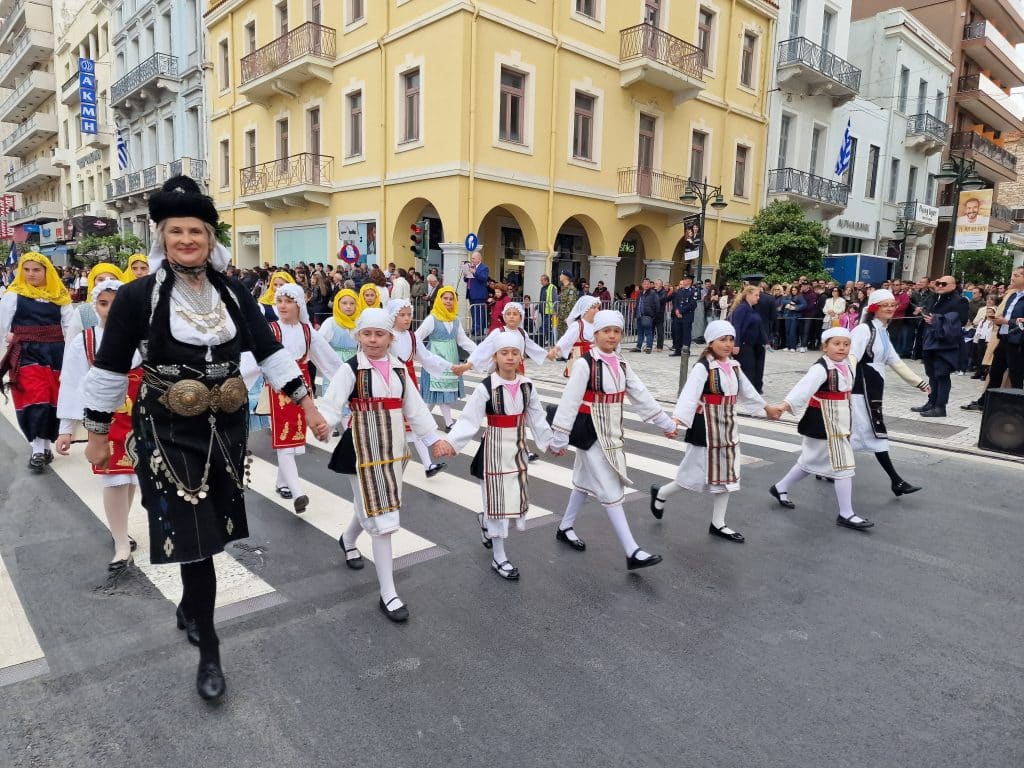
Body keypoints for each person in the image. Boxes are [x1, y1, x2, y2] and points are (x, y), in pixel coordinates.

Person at [80, 175, 328, 701]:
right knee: (198, 543)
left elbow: (269, 351)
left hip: (228, 430)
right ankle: (210, 651)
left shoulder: (235, 292)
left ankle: (192, 604)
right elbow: (107, 368)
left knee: (209, 530)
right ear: (162, 237)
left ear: (210, 238)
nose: (188, 240)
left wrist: (307, 405)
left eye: (197, 231)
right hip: (168, 431)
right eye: (177, 231)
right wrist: (97, 435)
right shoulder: (138, 296)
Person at [321, 308, 450, 622]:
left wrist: (433, 439)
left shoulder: (399, 371)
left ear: (391, 338)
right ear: (358, 336)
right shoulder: (351, 369)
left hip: (392, 450)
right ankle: (388, 593)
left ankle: (349, 539)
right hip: (360, 450)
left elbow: (415, 408)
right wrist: (323, 423)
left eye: (380, 334)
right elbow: (331, 403)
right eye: (367, 334)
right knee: (381, 517)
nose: (373, 340)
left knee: (371, 504)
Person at [549, 310, 678, 568]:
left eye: (616, 331)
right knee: (610, 487)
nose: (612, 335)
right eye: (606, 331)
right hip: (590, 431)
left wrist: (666, 423)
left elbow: (640, 394)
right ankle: (631, 551)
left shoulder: (621, 364)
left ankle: (565, 527)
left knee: (584, 482)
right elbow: (570, 401)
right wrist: (559, 438)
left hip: (612, 431)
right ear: (595, 334)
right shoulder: (585, 363)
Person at [651, 321, 780, 543]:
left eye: (731, 339)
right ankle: (661, 493)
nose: (728, 344)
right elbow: (689, 395)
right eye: (723, 339)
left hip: (728, 427)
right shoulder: (703, 367)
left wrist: (766, 408)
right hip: (705, 427)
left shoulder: (734, 366)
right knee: (692, 474)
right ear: (711, 342)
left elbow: (747, 392)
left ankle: (718, 523)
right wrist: (676, 421)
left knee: (726, 475)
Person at [447, 331, 560, 579]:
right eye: (504, 353)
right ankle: (499, 556)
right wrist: (451, 443)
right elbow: (469, 419)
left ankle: (485, 521)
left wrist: (550, 443)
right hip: (494, 448)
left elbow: (538, 418)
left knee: (513, 502)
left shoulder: (527, 387)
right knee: (497, 504)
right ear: (495, 357)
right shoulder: (486, 387)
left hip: (518, 449)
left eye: (514, 353)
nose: (509, 358)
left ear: (521, 357)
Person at [56, 280, 142, 572]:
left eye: (117, 303)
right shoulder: (87, 341)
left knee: (130, 479)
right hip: (106, 421)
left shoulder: (143, 337)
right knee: (115, 479)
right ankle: (120, 543)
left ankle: (121, 528)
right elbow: (70, 382)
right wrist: (67, 428)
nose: (110, 310)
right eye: (104, 304)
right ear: (96, 306)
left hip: (140, 418)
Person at [768, 328, 873, 531]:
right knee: (843, 466)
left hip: (840, 420)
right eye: (836, 343)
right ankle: (846, 513)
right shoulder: (821, 368)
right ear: (825, 347)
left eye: (846, 344)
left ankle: (780, 487)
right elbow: (803, 388)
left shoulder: (848, 363)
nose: (842, 348)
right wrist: (783, 406)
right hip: (822, 420)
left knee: (810, 461)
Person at [250, 284, 340, 513]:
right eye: (279, 301)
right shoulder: (270, 330)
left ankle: (282, 483)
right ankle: (298, 492)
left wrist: (348, 384)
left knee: (294, 440)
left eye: (288, 301)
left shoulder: (308, 332)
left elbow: (330, 362)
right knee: (285, 441)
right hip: (279, 390)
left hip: (303, 390)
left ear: (299, 305)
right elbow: (252, 362)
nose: (282, 306)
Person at [0, 252, 75, 472]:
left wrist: (72, 355)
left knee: (53, 398)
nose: (31, 274)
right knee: (36, 397)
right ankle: (37, 450)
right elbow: (2, 325)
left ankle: (44, 445)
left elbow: (70, 328)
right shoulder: (14, 295)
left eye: (36, 270)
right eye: (27, 269)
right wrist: (9, 339)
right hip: (26, 353)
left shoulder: (59, 296)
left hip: (55, 353)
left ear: (46, 272)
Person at [849, 290, 929, 497]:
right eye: (885, 305)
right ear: (874, 308)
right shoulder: (863, 330)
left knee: (856, 430)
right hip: (860, 387)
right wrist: (844, 385)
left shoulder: (882, 331)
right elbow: (851, 359)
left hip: (873, 385)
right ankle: (896, 480)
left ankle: (827, 466)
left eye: (893, 305)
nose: (890, 308)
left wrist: (919, 382)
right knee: (872, 429)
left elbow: (895, 361)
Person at [387, 298, 471, 478]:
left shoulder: (411, 337)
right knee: (393, 427)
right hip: (388, 384)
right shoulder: (386, 336)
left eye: (409, 315)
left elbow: (427, 358)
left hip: (407, 383)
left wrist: (451, 366)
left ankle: (428, 465)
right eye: (402, 315)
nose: (407, 318)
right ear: (393, 316)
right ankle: (391, 467)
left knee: (415, 421)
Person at [962, 266, 1024, 412]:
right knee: (995, 372)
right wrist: (998, 320)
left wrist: (1007, 322)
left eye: (1016, 275)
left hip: (1018, 341)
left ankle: (1017, 407)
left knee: (1016, 375)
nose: (1012, 277)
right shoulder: (1013, 295)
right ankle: (985, 402)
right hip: (1004, 338)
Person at [415, 286, 477, 430]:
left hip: (451, 359)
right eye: (445, 298)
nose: (448, 302)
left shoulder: (455, 320)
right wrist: (424, 356)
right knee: (439, 390)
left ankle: (421, 422)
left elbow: (463, 340)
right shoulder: (432, 319)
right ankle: (449, 423)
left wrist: (478, 351)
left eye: (451, 299)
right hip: (436, 360)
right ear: (439, 299)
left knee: (439, 392)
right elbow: (417, 337)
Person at [913, 275, 968, 417]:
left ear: (953, 285)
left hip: (945, 344)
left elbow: (961, 321)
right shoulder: (933, 297)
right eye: (938, 283)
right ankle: (931, 402)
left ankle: (940, 406)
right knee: (931, 374)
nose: (940, 286)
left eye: (944, 284)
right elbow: (929, 313)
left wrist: (936, 321)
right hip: (930, 341)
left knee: (942, 375)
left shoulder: (959, 300)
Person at [549, 295, 600, 376]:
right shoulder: (578, 325)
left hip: (594, 359)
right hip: (579, 358)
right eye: (594, 308)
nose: (597, 310)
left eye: (598, 308)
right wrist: (555, 349)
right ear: (585, 310)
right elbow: (566, 339)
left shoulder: (598, 325)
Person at [730, 285, 767, 393]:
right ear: (748, 295)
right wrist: (736, 344)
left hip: (753, 344)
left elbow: (759, 326)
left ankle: (752, 389)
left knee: (753, 367)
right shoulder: (742, 308)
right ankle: (745, 390)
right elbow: (737, 326)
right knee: (747, 368)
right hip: (744, 343)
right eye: (756, 295)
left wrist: (765, 341)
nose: (758, 298)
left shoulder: (753, 309)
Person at [670, 275, 698, 356]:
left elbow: (692, 304)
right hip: (677, 315)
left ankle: (685, 350)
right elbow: (675, 302)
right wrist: (676, 311)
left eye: (685, 280)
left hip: (687, 316)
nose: (684, 281)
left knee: (686, 334)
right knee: (677, 333)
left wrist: (681, 311)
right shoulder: (680, 290)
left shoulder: (693, 291)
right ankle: (677, 350)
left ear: (690, 281)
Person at [464, 252, 490, 336]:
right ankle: (474, 329)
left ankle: (478, 330)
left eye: (474, 258)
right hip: (471, 293)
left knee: (479, 313)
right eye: (472, 258)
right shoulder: (472, 267)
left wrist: (474, 272)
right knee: (473, 313)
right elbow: (468, 280)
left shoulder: (484, 268)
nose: (472, 260)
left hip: (479, 294)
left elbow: (483, 278)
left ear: (479, 259)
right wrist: (466, 275)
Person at [633, 279, 660, 353]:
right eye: (644, 283)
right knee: (640, 332)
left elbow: (657, 305)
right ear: (642, 285)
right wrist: (635, 314)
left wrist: (653, 315)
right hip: (639, 315)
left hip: (647, 316)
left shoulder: (653, 293)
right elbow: (638, 304)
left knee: (648, 332)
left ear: (650, 285)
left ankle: (649, 347)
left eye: (647, 283)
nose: (646, 285)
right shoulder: (640, 293)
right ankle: (638, 347)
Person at [781, 285, 806, 351]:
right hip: (788, 315)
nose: (793, 291)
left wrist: (795, 307)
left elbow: (804, 305)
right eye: (792, 290)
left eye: (795, 290)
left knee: (792, 331)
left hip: (795, 316)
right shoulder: (789, 296)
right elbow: (783, 301)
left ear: (797, 290)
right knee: (787, 331)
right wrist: (789, 302)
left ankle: (793, 347)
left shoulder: (800, 296)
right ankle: (787, 346)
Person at [538, 274, 558, 346]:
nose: (541, 282)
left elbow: (555, 299)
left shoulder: (552, 287)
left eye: (542, 280)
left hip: (549, 311)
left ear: (546, 280)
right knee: (546, 327)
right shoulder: (542, 288)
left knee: (545, 327)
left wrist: (554, 310)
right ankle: (549, 341)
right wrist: (538, 307)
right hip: (543, 311)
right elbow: (541, 299)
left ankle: (547, 340)